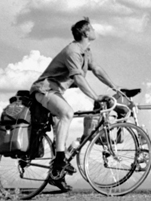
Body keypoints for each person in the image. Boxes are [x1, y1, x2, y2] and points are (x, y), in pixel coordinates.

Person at [30, 17, 119, 190]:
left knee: (60, 134)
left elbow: (98, 70)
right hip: (44, 90)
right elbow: (78, 78)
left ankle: (56, 175)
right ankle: (60, 160)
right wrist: (96, 97)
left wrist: (114, 86)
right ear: (86, 33)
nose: (95, 30)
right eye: (92, 28)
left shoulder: (86, 51)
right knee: (67, 113)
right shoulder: (73, 51)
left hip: (56, 91)